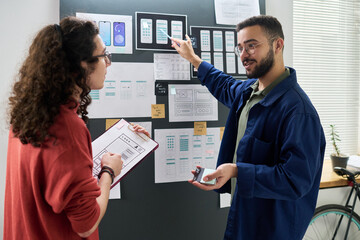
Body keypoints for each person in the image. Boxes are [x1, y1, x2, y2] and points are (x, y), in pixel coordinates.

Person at [172, 15, 326, 240]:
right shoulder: (249, 92)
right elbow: (223, 83)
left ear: (278, 45)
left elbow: (296, 180)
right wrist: (193, 59)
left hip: (273, 228)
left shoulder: (298, 111)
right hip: (244, 215)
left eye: (252, 46)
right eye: (240, 48)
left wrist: (236, 171)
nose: (244, 55)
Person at [4, 16, 149, 240]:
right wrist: (108, 172)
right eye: (104, 56)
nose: (108, 63)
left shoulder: (28, 114)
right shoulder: (68, 128)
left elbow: (57, 170)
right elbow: (86, 223)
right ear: (81, 65)